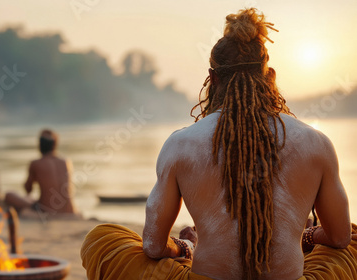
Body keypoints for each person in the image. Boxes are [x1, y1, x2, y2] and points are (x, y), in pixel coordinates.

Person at [81, 8, 357, 280]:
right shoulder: (316, 142)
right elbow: (339, 237)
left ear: (212, 79)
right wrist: (306, 236)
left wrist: (186, 246)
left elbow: (153, 247)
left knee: (103, 238)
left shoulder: (180, 144)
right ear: (269, 76)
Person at [5, 129, 80, 218]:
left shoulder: (36, 163)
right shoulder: (66, 161)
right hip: (70, 211)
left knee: (9, 195)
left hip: (46, 210)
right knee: (31, 200)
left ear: (40, 145)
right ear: (55, 145)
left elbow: (28, 190)